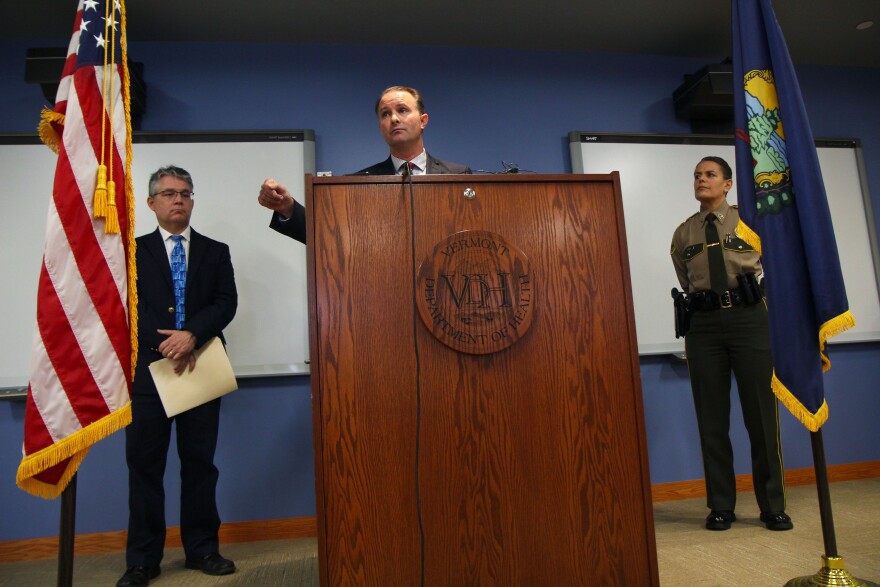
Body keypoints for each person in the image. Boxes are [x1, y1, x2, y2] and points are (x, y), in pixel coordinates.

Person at [118, 166, 238, 587]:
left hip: (202, 365)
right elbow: (129, 309)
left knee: (200, 465)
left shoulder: (215, 250)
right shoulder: (132, 253)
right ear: (152, 203)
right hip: (150, 374)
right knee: (145, 467)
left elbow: (226, 303)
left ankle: (203, 549)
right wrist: (167, 342)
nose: (178, 200)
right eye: (169, 193)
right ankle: (143, 560)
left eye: (185, 193)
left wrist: (192, 335)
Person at [670, 156, 792, 532]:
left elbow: (779, 265)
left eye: (709, 175)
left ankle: (772, 505)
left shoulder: (751, 222)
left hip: (749, 319)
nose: (701, 180)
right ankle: (721, 505)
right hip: (704, 326)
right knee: (711, 420)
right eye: (696, 175)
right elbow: (686, 281)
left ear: (727, 184)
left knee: (761, 415)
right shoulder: (684, 233)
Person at [258, 85, 470, 240]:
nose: (394, 119)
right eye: (385, 114)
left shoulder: (459, 175)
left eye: (402, 110)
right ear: (380, 126)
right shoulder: (357, 184)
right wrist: (288, 208)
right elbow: (329, 236)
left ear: (423, 120)